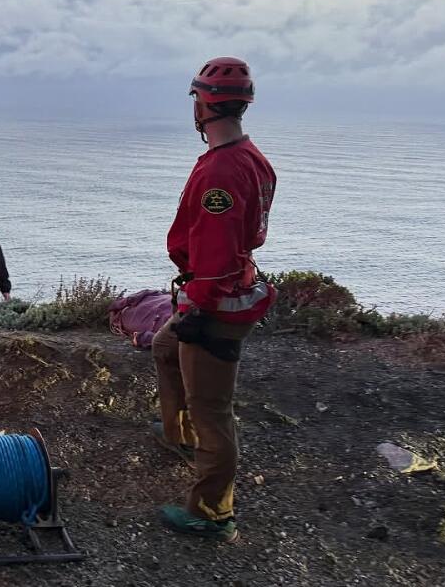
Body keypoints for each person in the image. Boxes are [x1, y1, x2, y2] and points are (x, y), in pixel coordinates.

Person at [150, 57, 277, 543]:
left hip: (215, 301)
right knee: (165, 348)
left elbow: (215, 254)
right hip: (223, 288)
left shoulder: (221, 171)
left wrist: (199, 311)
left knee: (213, 409)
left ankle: (212, 512)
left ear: (202, 105)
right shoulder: (249, 156)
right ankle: (179, 435)